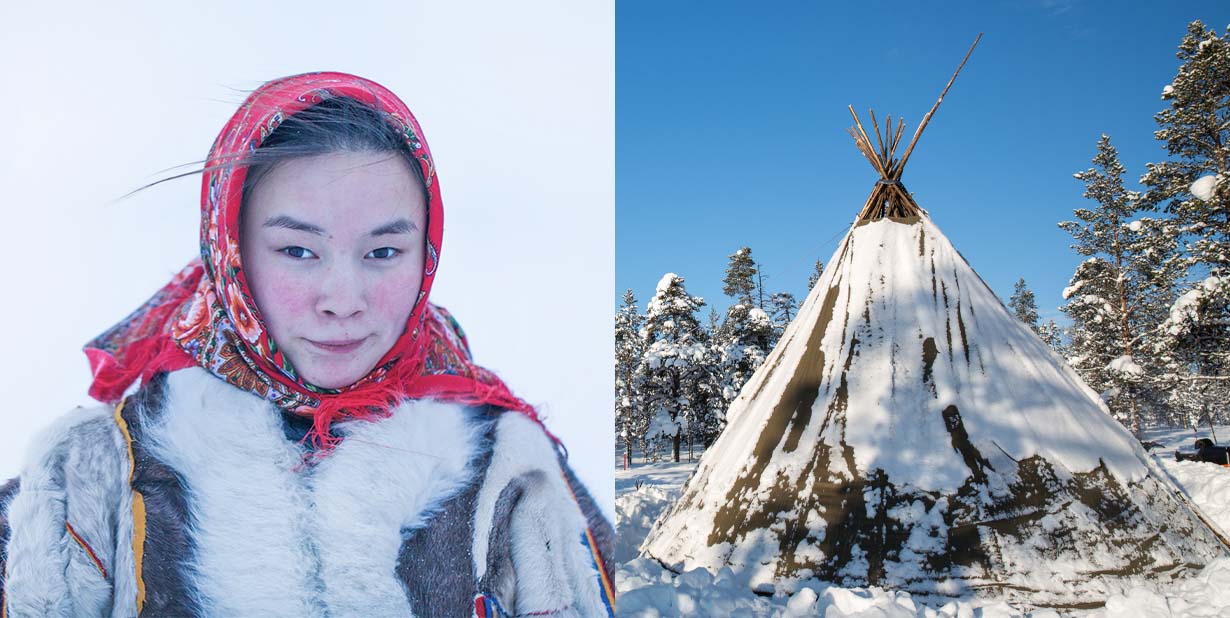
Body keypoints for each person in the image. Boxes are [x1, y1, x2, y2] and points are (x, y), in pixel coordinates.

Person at [0, 72, 614, 617]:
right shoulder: (90, 474)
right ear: (231, 252)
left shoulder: (509, 465)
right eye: (298, 250)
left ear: (425, 253)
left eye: (383, 252)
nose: (343, 298)